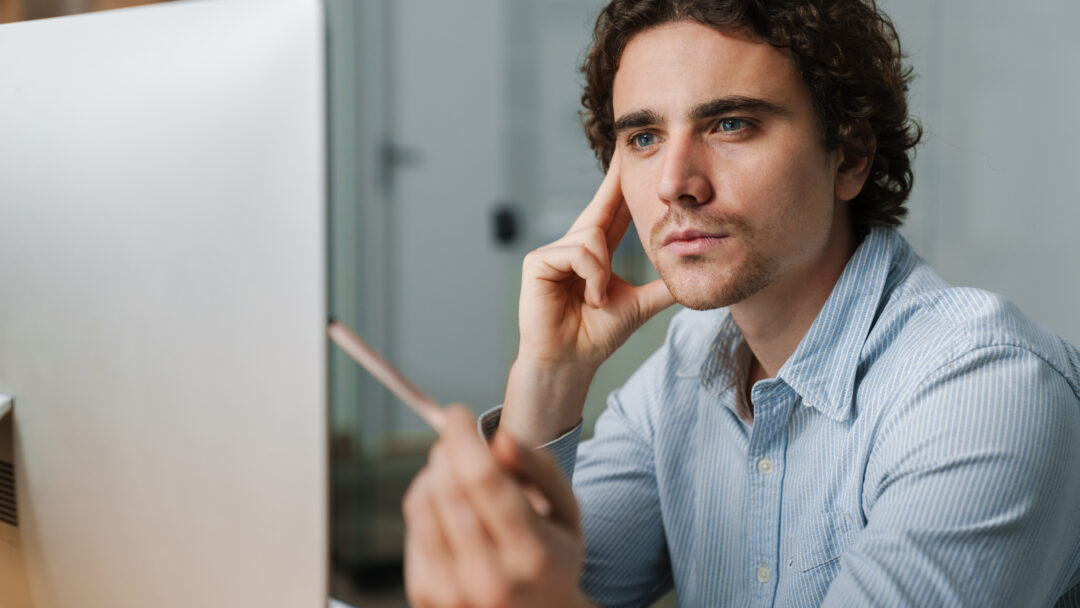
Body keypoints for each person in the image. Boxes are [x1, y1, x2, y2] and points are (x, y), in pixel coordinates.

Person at [401, 0, 1080, 606]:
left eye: (729, 124)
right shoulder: (686, 370)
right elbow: (531, 585)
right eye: (642, 138)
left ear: (849, 156)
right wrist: (550, 374)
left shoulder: (986, 386)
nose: (675, 184)